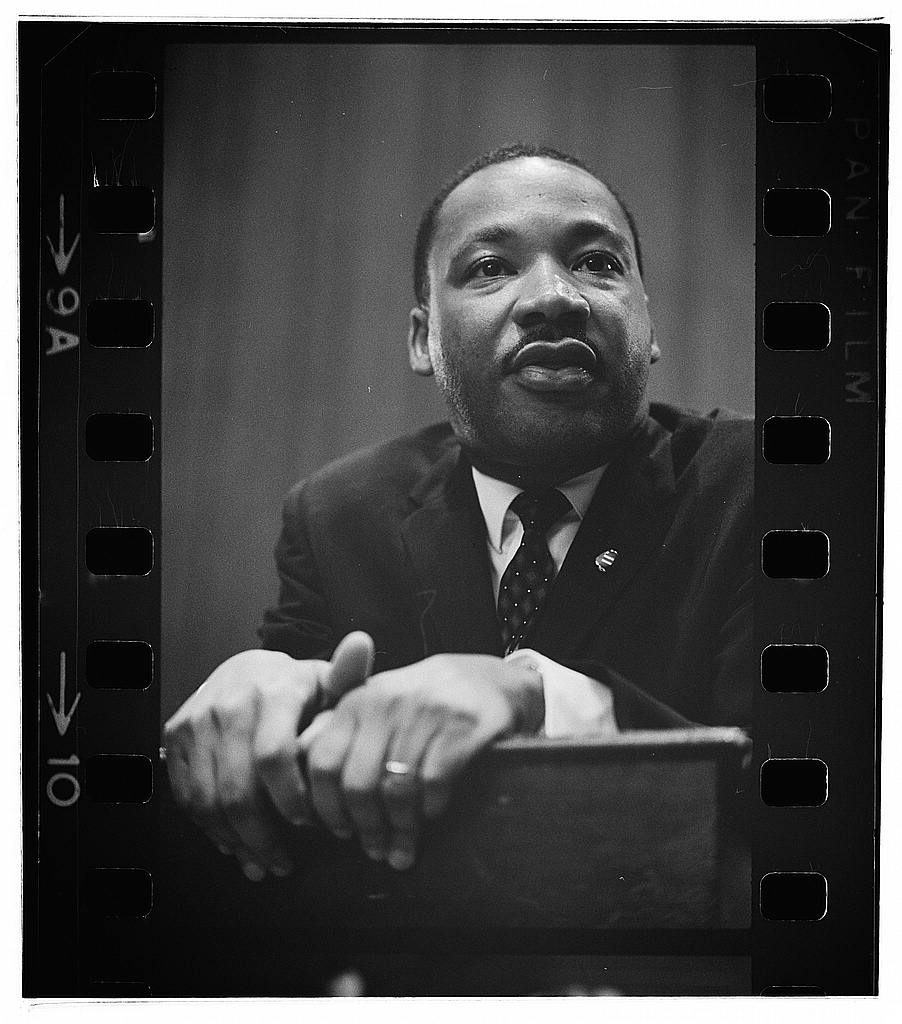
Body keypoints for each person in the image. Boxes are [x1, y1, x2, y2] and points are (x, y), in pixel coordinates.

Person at [164, 143, 753, 886]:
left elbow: (801, 797)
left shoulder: (759, 486)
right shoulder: (340, 514)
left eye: (598, 263)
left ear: (649, 325)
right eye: (489, 268)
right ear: (423, 340)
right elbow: (294, 782)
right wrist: (261, 690)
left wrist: (531, 695)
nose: (555, 297)